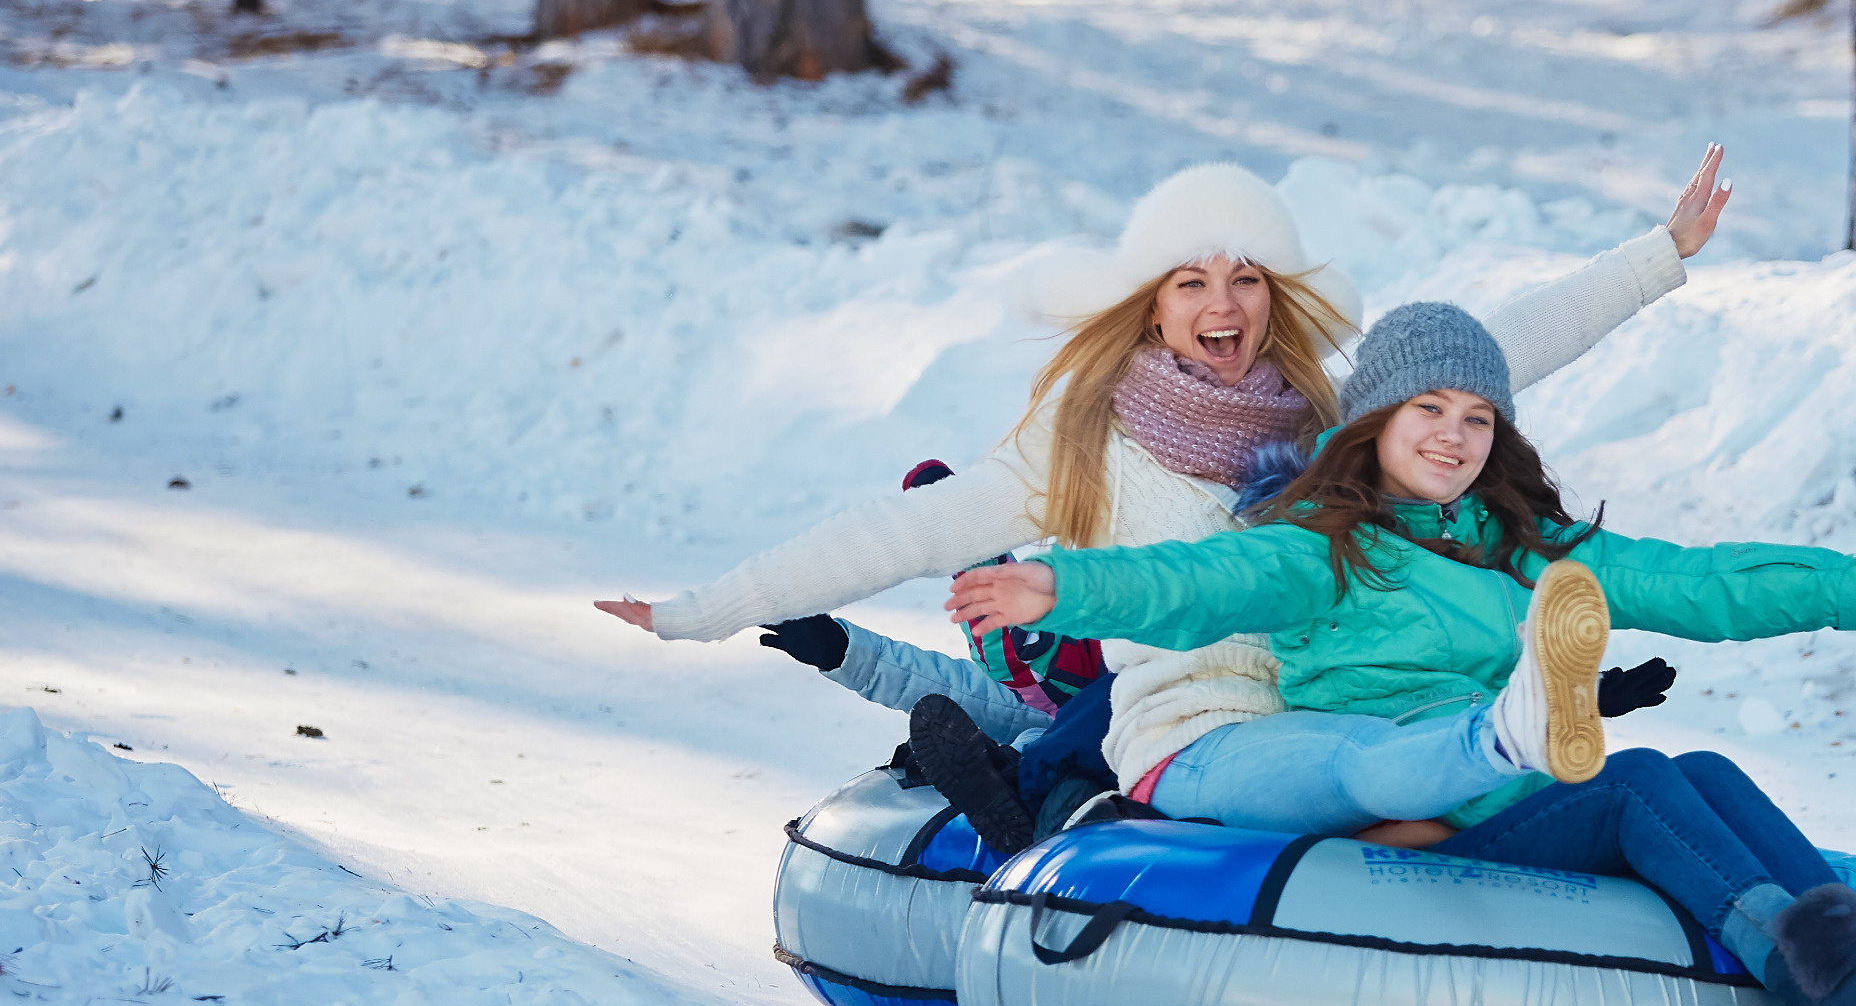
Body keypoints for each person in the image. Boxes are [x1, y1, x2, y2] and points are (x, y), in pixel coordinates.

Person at [944, 304, 1856, 1006]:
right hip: (1419, 795)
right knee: (1641, 789)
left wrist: (1853, 585)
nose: (1453, 436)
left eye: (1477, 416)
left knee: (1701, 770)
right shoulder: (1322, 544)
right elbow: (1192, 582)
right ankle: (1820, 973)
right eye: (1427, 407)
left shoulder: (1524, 543)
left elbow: (1689, 576)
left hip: (1507, 793)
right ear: (1374, 419)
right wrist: (1062, 584)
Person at [594, 151, 1733, 839]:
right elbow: (896, 531)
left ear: (1274, 295)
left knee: (1483, 776)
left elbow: (1499, 351)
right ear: (1151, 302)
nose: (1222, 301)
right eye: (1193, 279)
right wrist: (703, 606)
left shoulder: (1320, 423)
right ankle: (1041, 806)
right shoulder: (1080, 443)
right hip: (1182, 725)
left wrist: (1657, 255)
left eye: (1245, 277)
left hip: (1325, 701)